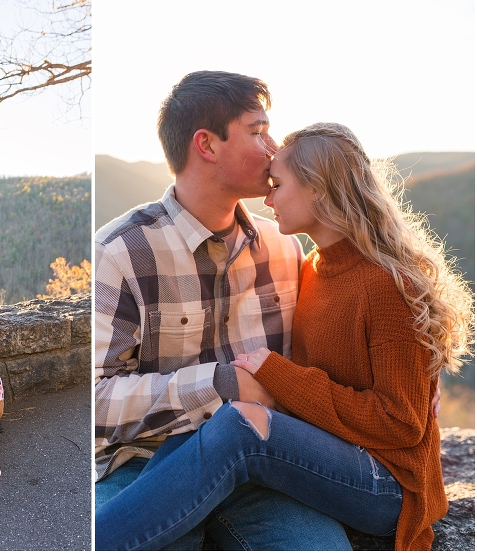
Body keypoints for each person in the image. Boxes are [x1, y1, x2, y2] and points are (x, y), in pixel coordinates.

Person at [95, 122, 474, 550]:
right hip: (321, 453)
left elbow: (402, 424)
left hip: (386, 482)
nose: (268, 199)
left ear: (318, 190)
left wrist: (279, 376)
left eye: (278, 185)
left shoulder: (386, 284)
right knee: (207, 425)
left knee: (241, 426)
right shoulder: (311, 268)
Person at [94, 71, 353, 550]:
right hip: (143, 463)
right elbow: (95, 400)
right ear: (207, 145)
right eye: (258, 131)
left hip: (262, 467)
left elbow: (327, 349)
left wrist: (414, 376)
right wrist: (220, 385)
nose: (274, 148)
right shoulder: (121, 252)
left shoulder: (284, 248)